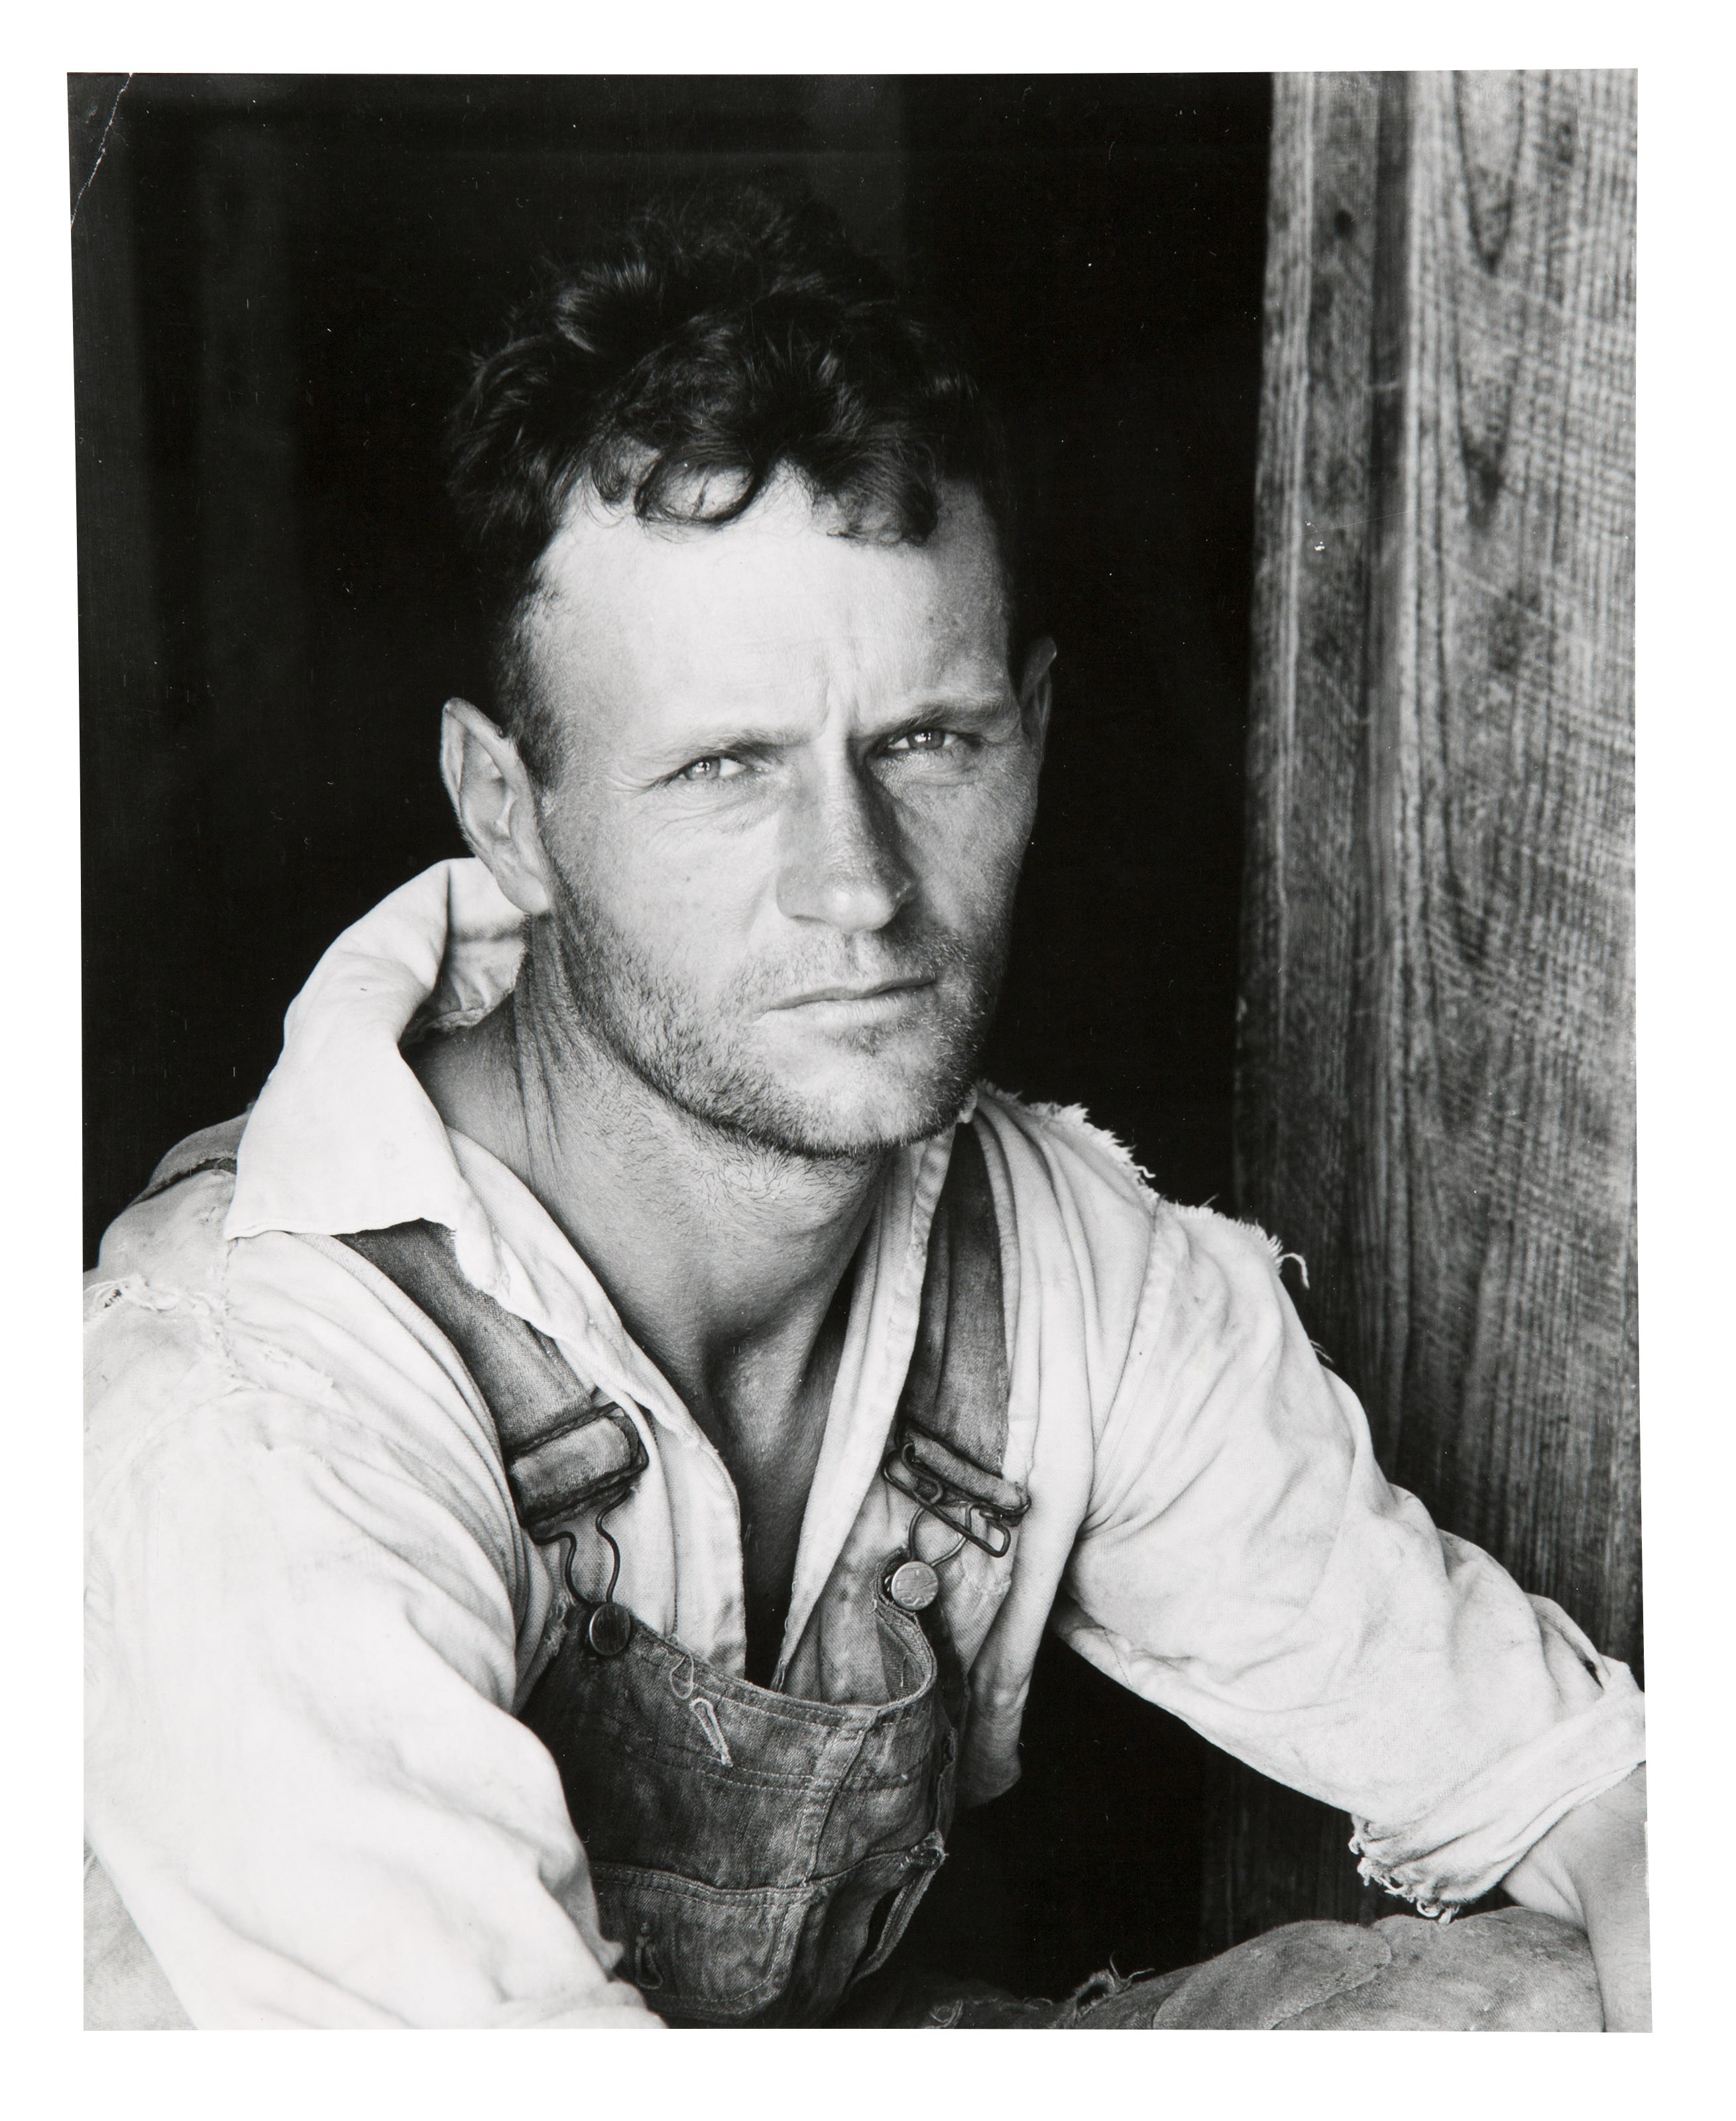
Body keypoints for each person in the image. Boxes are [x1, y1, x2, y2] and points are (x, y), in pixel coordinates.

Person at [83, 188, 1648, 2032]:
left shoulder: (1056, 1266)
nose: (859, 885)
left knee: (1551, 2005)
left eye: (925, 742)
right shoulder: (250, 1408)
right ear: (506, 805)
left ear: (1034, 734)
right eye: (724, 767)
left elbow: (1586, 1788)